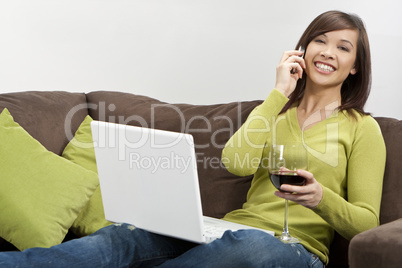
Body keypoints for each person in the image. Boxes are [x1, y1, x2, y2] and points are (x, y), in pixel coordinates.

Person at [0, 10, 385, 268]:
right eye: (321, 40)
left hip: (294, 250)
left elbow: (367, 224)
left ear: (355, 67)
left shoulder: (362, 129)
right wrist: (279, 93)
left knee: (251, 249)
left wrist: (321, 198)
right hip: (232, 229)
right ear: (303, 49)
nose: (328, 52)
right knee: (128, 236)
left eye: (343, 47)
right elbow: (236, 162)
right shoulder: (274, 111)